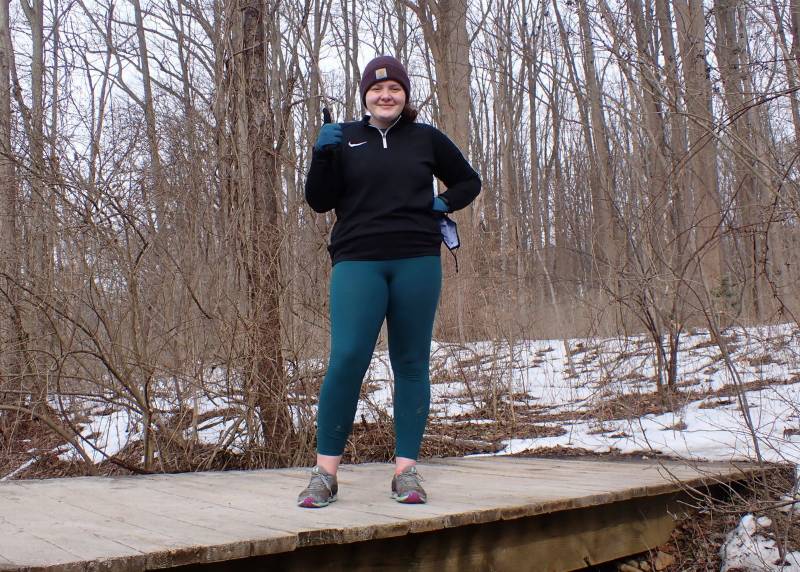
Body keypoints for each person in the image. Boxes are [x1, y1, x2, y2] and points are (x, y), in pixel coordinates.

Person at [298, 55, 481, 508]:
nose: (386, 95)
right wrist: (322, 155)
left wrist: (441, 205)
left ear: (405, 95)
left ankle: (406, 471)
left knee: (412, 362)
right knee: (346, 358)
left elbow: (468, 182)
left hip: (416, 259)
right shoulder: (344, 137)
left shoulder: (426, 138)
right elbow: (319, 202)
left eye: (395, 89)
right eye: (377, 90)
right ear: (365, 96)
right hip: (358, 260)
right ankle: (324, 474)